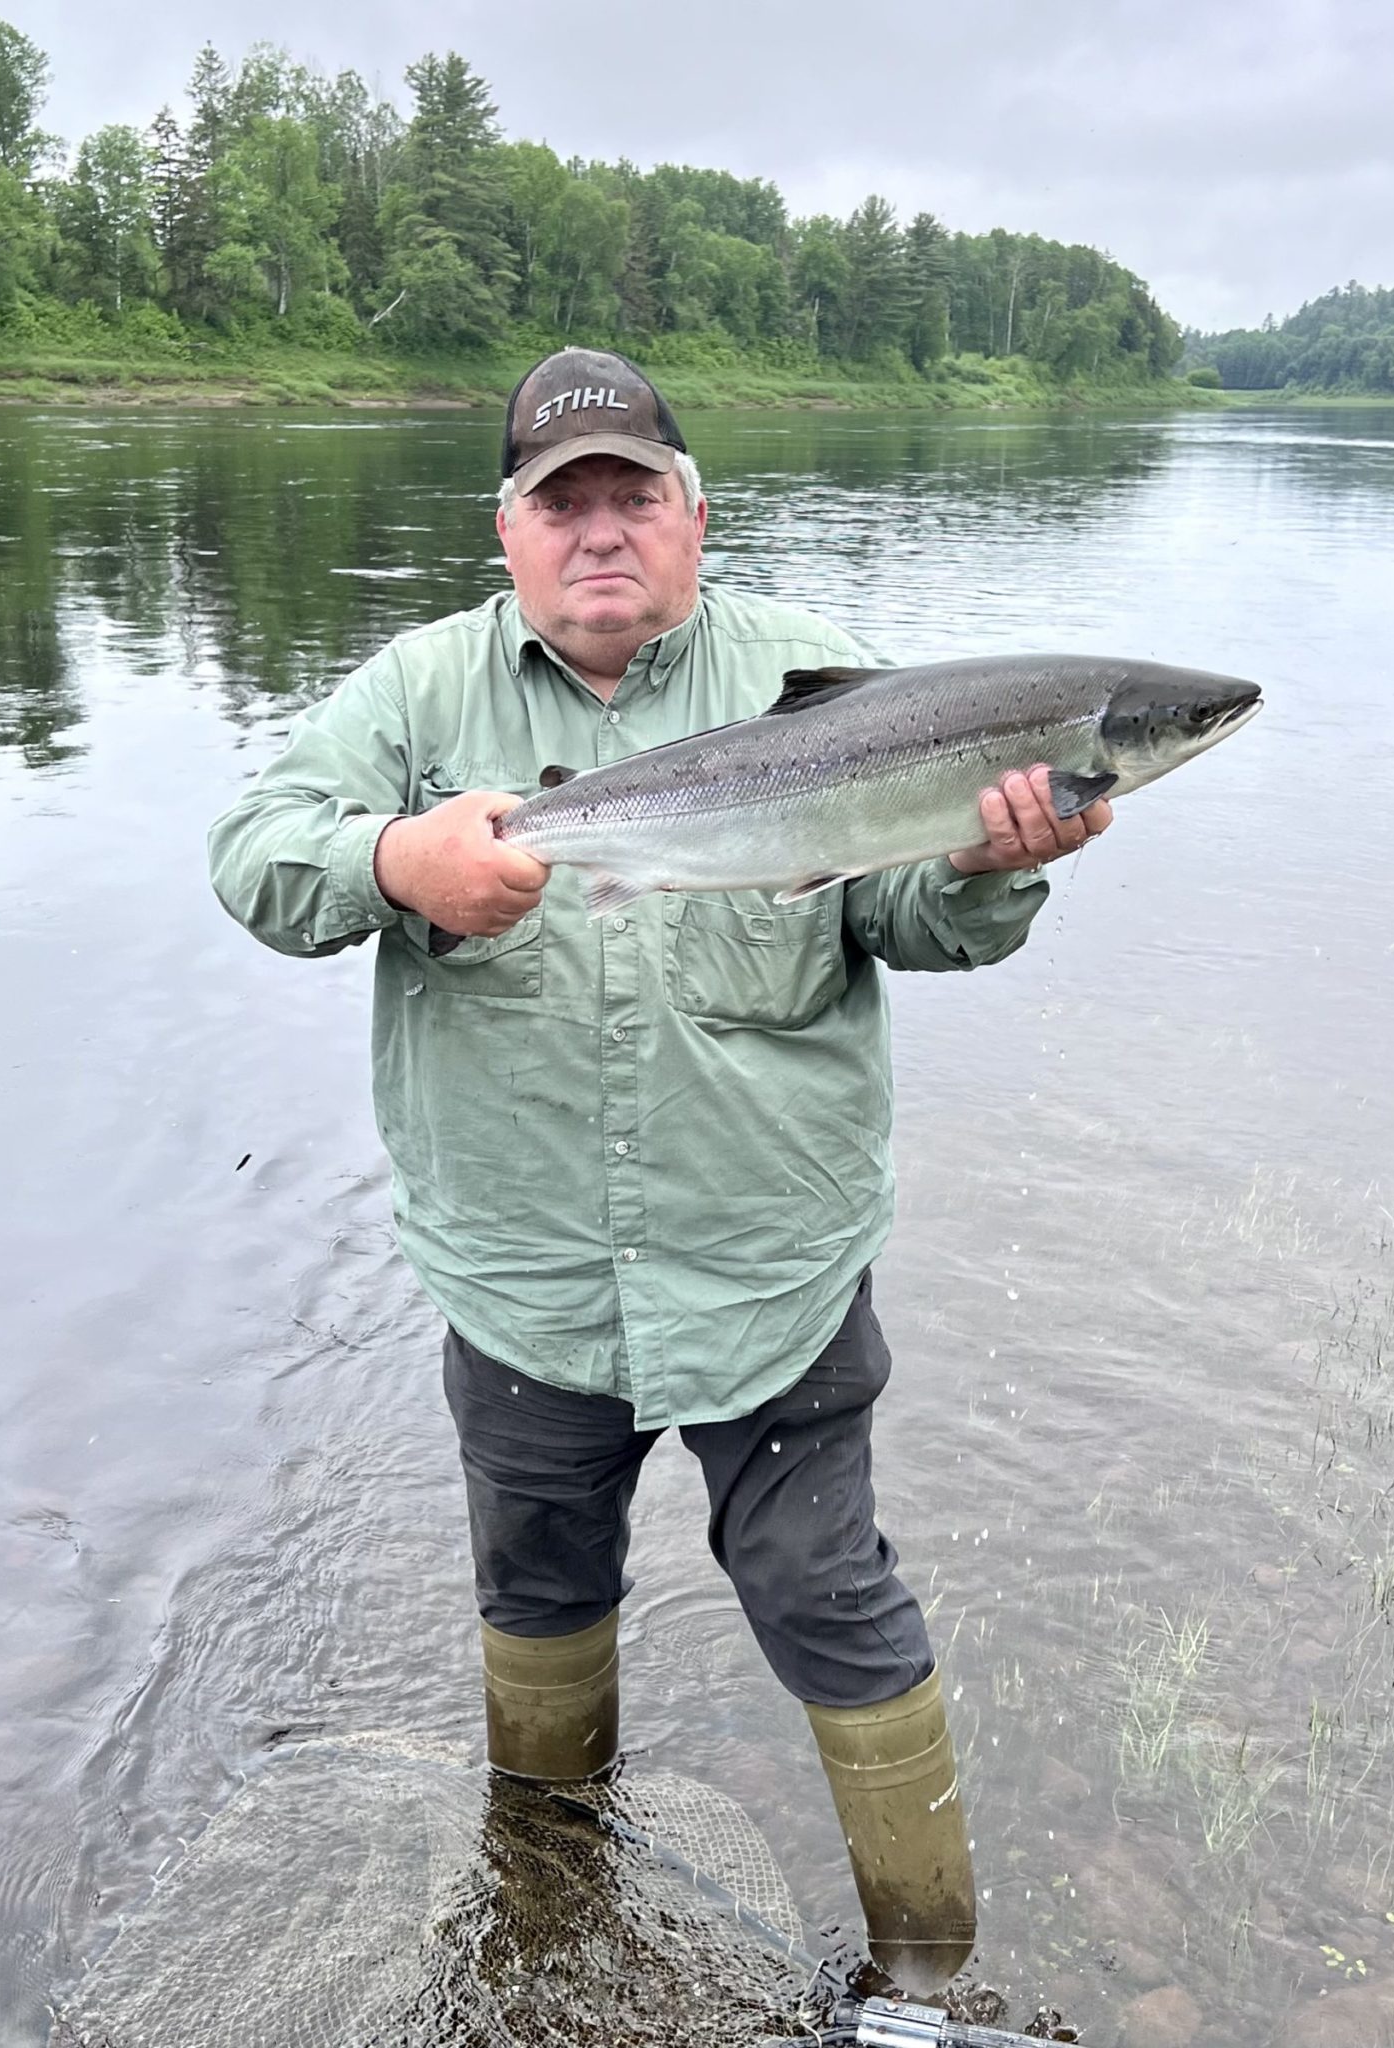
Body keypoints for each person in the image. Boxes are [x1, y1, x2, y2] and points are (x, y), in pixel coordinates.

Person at [207, 347, 1112, 1995]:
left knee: (827, 1594)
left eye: (636, 496)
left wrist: (987, 871)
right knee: (540, 1590)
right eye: (567, 504)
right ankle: (552, 1904)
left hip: (770, 1268)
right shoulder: (414, 700)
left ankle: (927, 1967)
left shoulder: (830, 683)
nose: (601, 531)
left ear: (696, 518)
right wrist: (394, 859)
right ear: (509, 534)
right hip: (524, 1276)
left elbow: (906, 921)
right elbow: (254, 863)